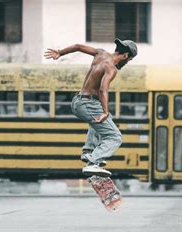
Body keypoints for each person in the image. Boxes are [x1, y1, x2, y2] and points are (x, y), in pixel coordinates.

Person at [44, 39, 138, 177]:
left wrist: (60, 53)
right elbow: (102, 90)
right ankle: (94, 162)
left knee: (102, 120)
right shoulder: (111, 68)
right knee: (115, 136)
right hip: (88, 103)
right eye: (129, 60)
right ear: (125, 56)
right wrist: (105, 112)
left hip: (78, 101)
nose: (126, 63)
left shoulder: (101, 53)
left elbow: (78, 46)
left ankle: (88, 152)